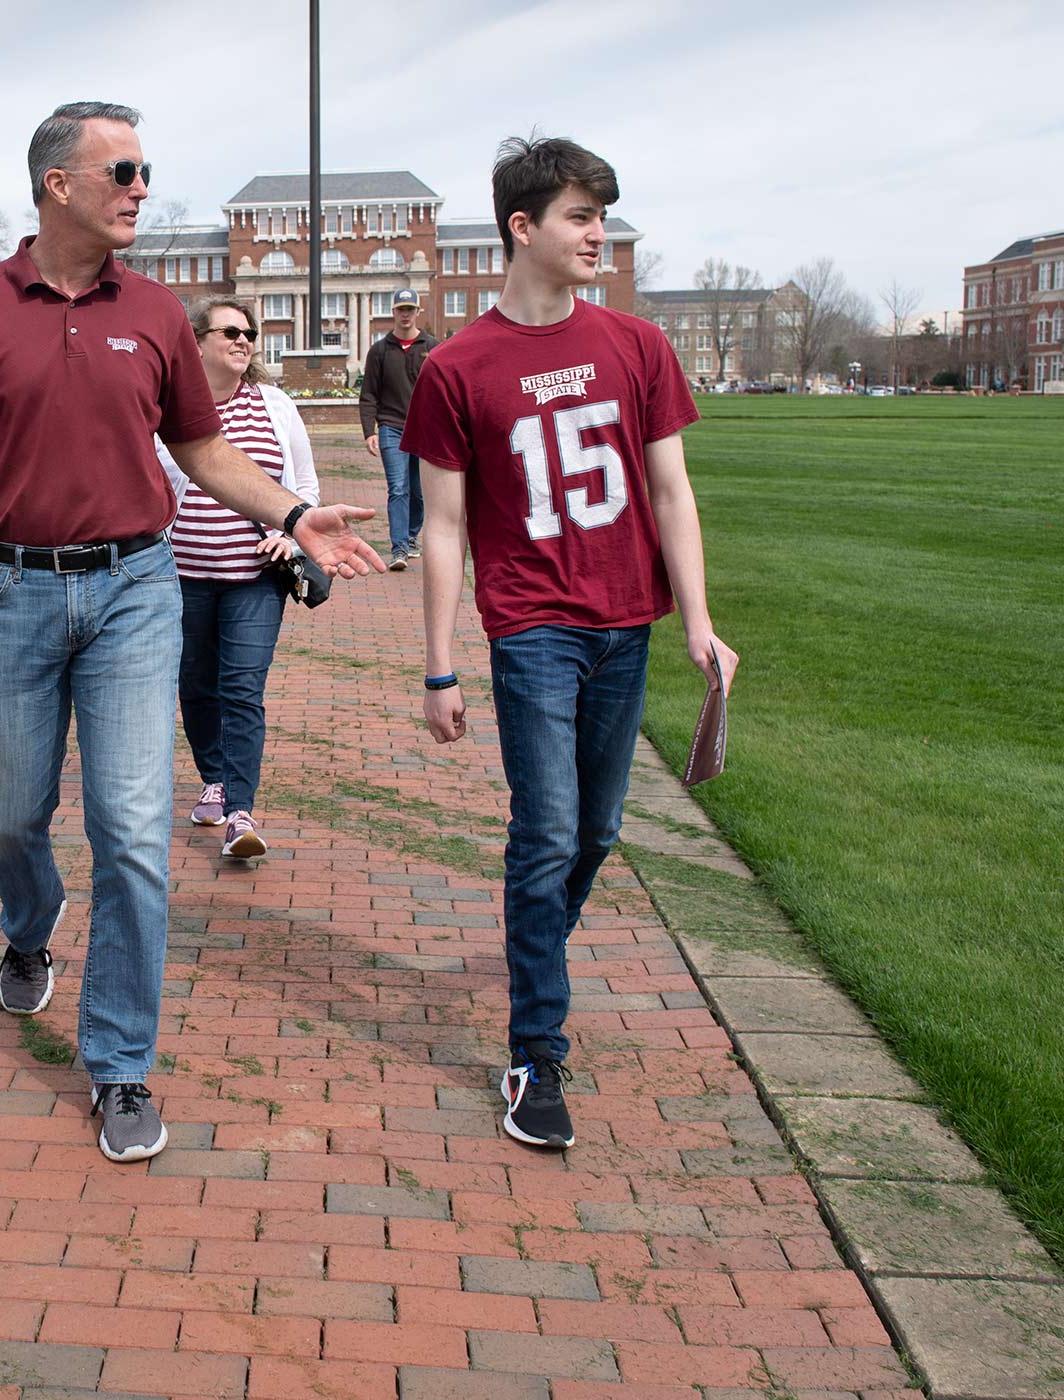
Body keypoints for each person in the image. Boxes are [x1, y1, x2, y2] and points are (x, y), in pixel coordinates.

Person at [0, 100, 383, 1163]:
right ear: (57, 183)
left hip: (134, 592)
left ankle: (118, 1063)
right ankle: (29, 921)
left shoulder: (155, 313)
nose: (141, 188)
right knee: (6, 816)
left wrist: (293, 514)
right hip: (12, 592)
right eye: (122, 170)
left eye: (145, 170)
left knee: (132, 825)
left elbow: (202, 451)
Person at [402, 136, 739, 1152]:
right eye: (581, 217)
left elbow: (671, 490)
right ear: (524, 227)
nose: (599, 235)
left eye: (603, 216)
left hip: (625, 622)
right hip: (532, 628)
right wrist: (438, 663)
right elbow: (446, 528)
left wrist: (701, 618)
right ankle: (534, 1049)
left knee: (595, 834)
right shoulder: (456, 369)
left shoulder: (637, 346)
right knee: (545, 833)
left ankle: (533, 942)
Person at [157, 296, 318, 859]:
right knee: (197, 687)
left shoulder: (274, 405)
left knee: (242, 688)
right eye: (228, 331)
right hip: (183, 577)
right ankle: (215, 777)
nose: (242, 340)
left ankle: (239, 813)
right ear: (196, 340)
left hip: (255, 576)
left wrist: (291, 534)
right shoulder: (170, 409)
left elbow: (304, 488)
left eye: (248, 332)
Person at [361, 289, 438, 570]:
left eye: (410, 309)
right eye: (400, 309)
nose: (405, 315)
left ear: (418, 312)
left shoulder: (432, 347)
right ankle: (399, 549)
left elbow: (442, 391)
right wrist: (370, 431)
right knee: (398, 487)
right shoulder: (380, 351)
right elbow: (368, 394)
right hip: (391, 429)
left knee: (418, 491)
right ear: (393, 312)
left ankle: (411, 535)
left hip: (424, 430)